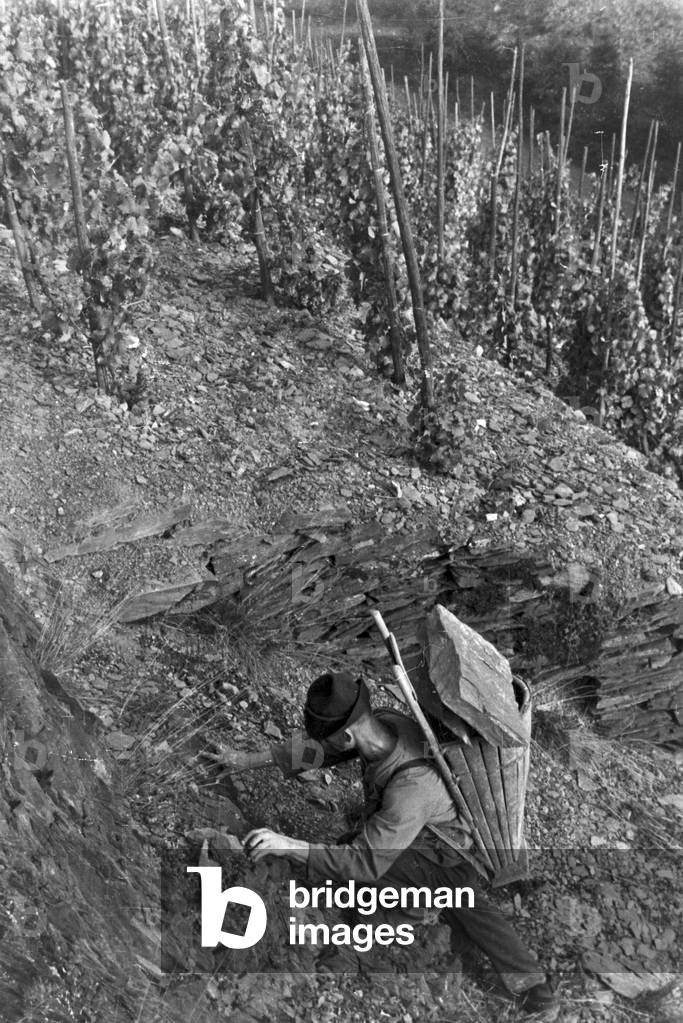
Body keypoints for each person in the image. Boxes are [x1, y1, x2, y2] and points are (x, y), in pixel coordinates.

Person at [207, 671, 559, 1019]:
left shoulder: (411, 788)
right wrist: (244, 760)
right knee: (447, 895)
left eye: (330, 736)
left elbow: (364, 863)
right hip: (428, 839)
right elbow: (319, 752)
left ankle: (400, 924)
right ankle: (528, 981)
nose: (326, 743)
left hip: (448, 859)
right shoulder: (384, 724)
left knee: (403, 885)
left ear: (347, 735)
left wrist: (288, 845)